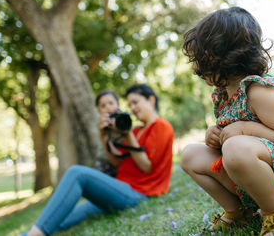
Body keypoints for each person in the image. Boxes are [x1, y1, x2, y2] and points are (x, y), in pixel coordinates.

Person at [180, 7, 274, 236]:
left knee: (236, 147)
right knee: (190, 155)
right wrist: (215, 135)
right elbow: (230, 135)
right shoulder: (223, 95)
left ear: (221, 56)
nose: (197, 66)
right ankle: (238, 212)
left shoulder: (258, 90)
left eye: (202, 57)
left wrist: (245, 129)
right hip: (247, 169)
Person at [24, 85, 174, 236]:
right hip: (118, 189)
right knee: (58, 216)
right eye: (130, 105)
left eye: (135, 102)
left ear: (151, 100)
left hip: (139, 193)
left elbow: (147, 167)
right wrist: (103, 136)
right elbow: (117, 162)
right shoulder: (136, 131)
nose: (133, 108)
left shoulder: (161, 126)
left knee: (77, 173)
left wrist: (128, 135)